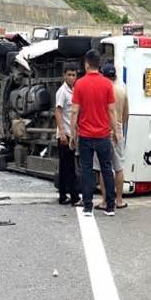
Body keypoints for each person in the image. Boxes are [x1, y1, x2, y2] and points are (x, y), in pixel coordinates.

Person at [70, 49, 120, 217]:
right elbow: (111, 111)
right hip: (103, 135)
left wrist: (73, 133)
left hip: (85, 135)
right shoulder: (107, 84)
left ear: (86, 64)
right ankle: (110, 207)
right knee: (107, 168)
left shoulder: (80, 84)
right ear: (99, 64)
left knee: (87, 170)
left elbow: (74, 111)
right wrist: (115, 132)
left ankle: (88, 206)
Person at [94, 63, 128, 210]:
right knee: (119, 168)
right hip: (119, 132)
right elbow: (126, 114)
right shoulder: (122, 90)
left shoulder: (102, 90)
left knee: (103, 167)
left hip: (105, 132)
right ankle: (119, 200)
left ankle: (105, 201)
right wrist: (119, 127)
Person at [55, 63, 80, 206]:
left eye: (74, 75)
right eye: (69, 75)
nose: (71, 77)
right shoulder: (62, 91)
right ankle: (75, 197)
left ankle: (63, 196)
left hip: (72, 133)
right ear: (64, 75)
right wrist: (62, 132)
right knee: (70, 167)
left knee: (65, 166)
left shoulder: (75, 90)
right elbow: (58, 111)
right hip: (65, 135)